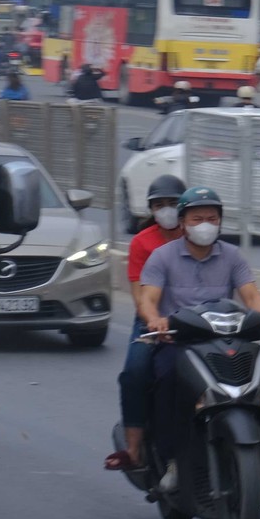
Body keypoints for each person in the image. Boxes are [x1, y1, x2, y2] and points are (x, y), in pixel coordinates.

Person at [135, 187, 260, 491]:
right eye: (198, 218)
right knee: (165, 382)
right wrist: (155, 320)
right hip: (178, 342)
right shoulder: (162, 257)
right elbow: (148, 299)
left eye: (212, 218)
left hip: (224, 339)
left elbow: (251, 295)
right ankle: (171, 459)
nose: (205, 224)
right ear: (183, 222)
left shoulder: (232, 256)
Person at [105, 173, 187, 473]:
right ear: (151, 210)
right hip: (154, 325)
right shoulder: (142, 243)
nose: (166, 210)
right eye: (159, 205)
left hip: (198, 324)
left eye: (173, 203)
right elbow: (141, 299)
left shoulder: (196, 236)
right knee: (135, 373)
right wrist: (155, 321)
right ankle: (134, 449)